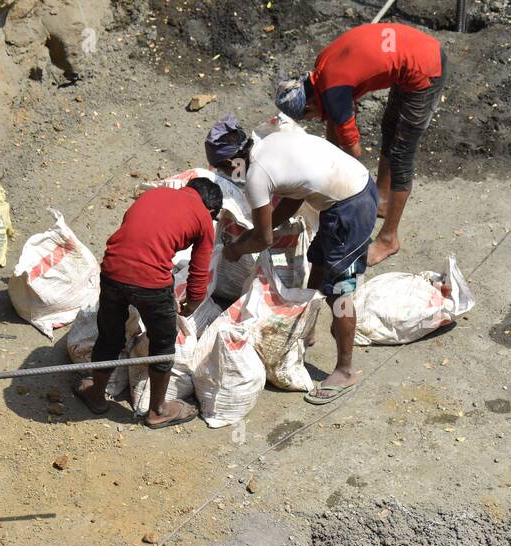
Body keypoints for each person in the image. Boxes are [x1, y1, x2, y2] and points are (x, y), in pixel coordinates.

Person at [205, 116, 376, 405]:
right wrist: (265, 227)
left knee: (339, 291)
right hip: (351, 191)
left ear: (234, 160)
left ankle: (345, 370)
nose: (227, 174)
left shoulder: (257, 176)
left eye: (224, 168)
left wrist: (237, 249)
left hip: (351, 206)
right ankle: (305, 329)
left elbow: (263, 241)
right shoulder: (268, 144)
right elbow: (295, 196)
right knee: (318, 263)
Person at [274, 22, 446, 265]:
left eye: (309, 117)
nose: (315, 119)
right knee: (389, 128)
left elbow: (353, 152)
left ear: (310, 106)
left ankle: (389, 239)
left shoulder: (334, 92)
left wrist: (337, 187)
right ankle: (381, 200)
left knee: (401, 154)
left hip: (426, 70)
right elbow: (334, 127)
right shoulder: (322, 70)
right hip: (411, 57)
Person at [73, 178, 221, 428]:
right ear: (211, 210)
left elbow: (133, 238)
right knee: (163, 343)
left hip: (112, 269)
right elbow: (199, 275)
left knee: (109, 336)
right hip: (151, 282)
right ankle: (158, 410)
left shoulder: (154, 195)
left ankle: (97, 394)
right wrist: (191, 304)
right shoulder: (204, 218)